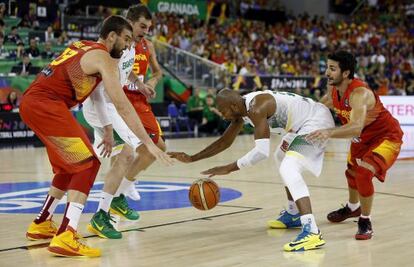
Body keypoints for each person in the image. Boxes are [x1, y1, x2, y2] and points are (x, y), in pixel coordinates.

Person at [21, 15, 172, 258]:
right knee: (87, 165)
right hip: (46, 104)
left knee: (68, 169)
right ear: (111, 36)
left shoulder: (81, 45)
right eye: (124, 39)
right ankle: (67, 235)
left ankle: (41, 223)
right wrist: (147, 143)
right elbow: (122, 105)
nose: (127, 45)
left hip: (35, 102)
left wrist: (110, 128)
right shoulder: (104, 58)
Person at [169, 88, 334, 252]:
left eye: (222, 111)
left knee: (289, 167)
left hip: (315, 121)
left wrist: (229, 168)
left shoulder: (257, 107)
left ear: (233, 107)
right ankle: (293, 213)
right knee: (281, 157)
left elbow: (261, 152)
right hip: (299, 126)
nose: (221, 115)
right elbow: (224, 142)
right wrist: (192, 158)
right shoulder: (241, 111)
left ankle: (311, 230)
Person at [83, 4, 166, 239]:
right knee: (128, 154)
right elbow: (101, 86)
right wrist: (108, 126)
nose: (145, 32)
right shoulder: (114, 46)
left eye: (148, 29)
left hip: (111, 107)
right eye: (142, 27)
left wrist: (138, 83)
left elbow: (125, 69)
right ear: (129, 22)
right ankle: (102, 213)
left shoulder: (129, 46)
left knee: (124, 156)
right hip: (101, 106)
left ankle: (114, 201)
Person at [307, 51, 403, 240]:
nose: (327, 72)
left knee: (364, 174)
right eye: (327, 67)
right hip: (362, 139)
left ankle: (365, 220)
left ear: (346, 73)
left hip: (385, 137)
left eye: (332, 69)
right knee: (351, 172)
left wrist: (329, 132)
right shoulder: (333, 88)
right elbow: (324, 104)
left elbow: (356, 127)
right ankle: (353, 208)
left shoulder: (360, 93)